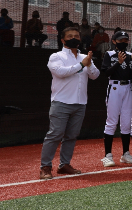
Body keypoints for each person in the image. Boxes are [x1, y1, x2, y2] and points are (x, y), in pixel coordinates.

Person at [40, 27, 100, 179]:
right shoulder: (56, 56)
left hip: (80, 103)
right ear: (62, 40)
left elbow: (95, 75)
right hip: (61, 101)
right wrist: (81, 65)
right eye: (70, 36)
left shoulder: (85, 57)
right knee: (55, 134)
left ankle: (64, 165)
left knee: (72, 135)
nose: (74, 38)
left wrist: (88, 64)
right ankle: (45, 167)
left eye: (77, 36)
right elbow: (61, 72)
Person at [100, 31, 132, 167]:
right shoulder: (109, 54)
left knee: (126, 122)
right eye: (121, 39)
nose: (124, 42)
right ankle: (108, 155)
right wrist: (118, 62)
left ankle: (125, 153)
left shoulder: (130, 55)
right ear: (114, 41)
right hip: (114, 88)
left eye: (126, 40)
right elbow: (106, 72)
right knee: (111, 121)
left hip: (127, 88)